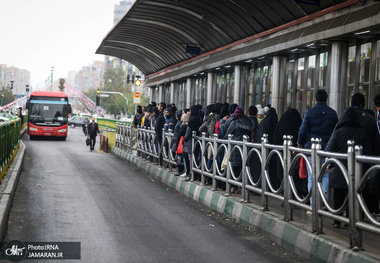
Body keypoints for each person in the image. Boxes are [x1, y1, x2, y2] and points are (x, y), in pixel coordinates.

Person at [325, 107, 368, 227]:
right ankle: (350, 219)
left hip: (340, 169)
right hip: (357, 170)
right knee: (353, 195)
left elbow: (329, 149)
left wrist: (331, 163)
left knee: (338, 194)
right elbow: (368, 151)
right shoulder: (362, 132)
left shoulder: (339, 132)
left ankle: (337, 220)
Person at [297, 89, 338, 209]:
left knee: (311, 177)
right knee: (324, 176)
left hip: (311, 150)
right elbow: (336, 132)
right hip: (326, 150)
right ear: (326, 99)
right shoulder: (333, 113)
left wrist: (300, 143)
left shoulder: (309, 112)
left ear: (315, 99)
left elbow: (303, 130)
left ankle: (313, 205)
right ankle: (323, 203)